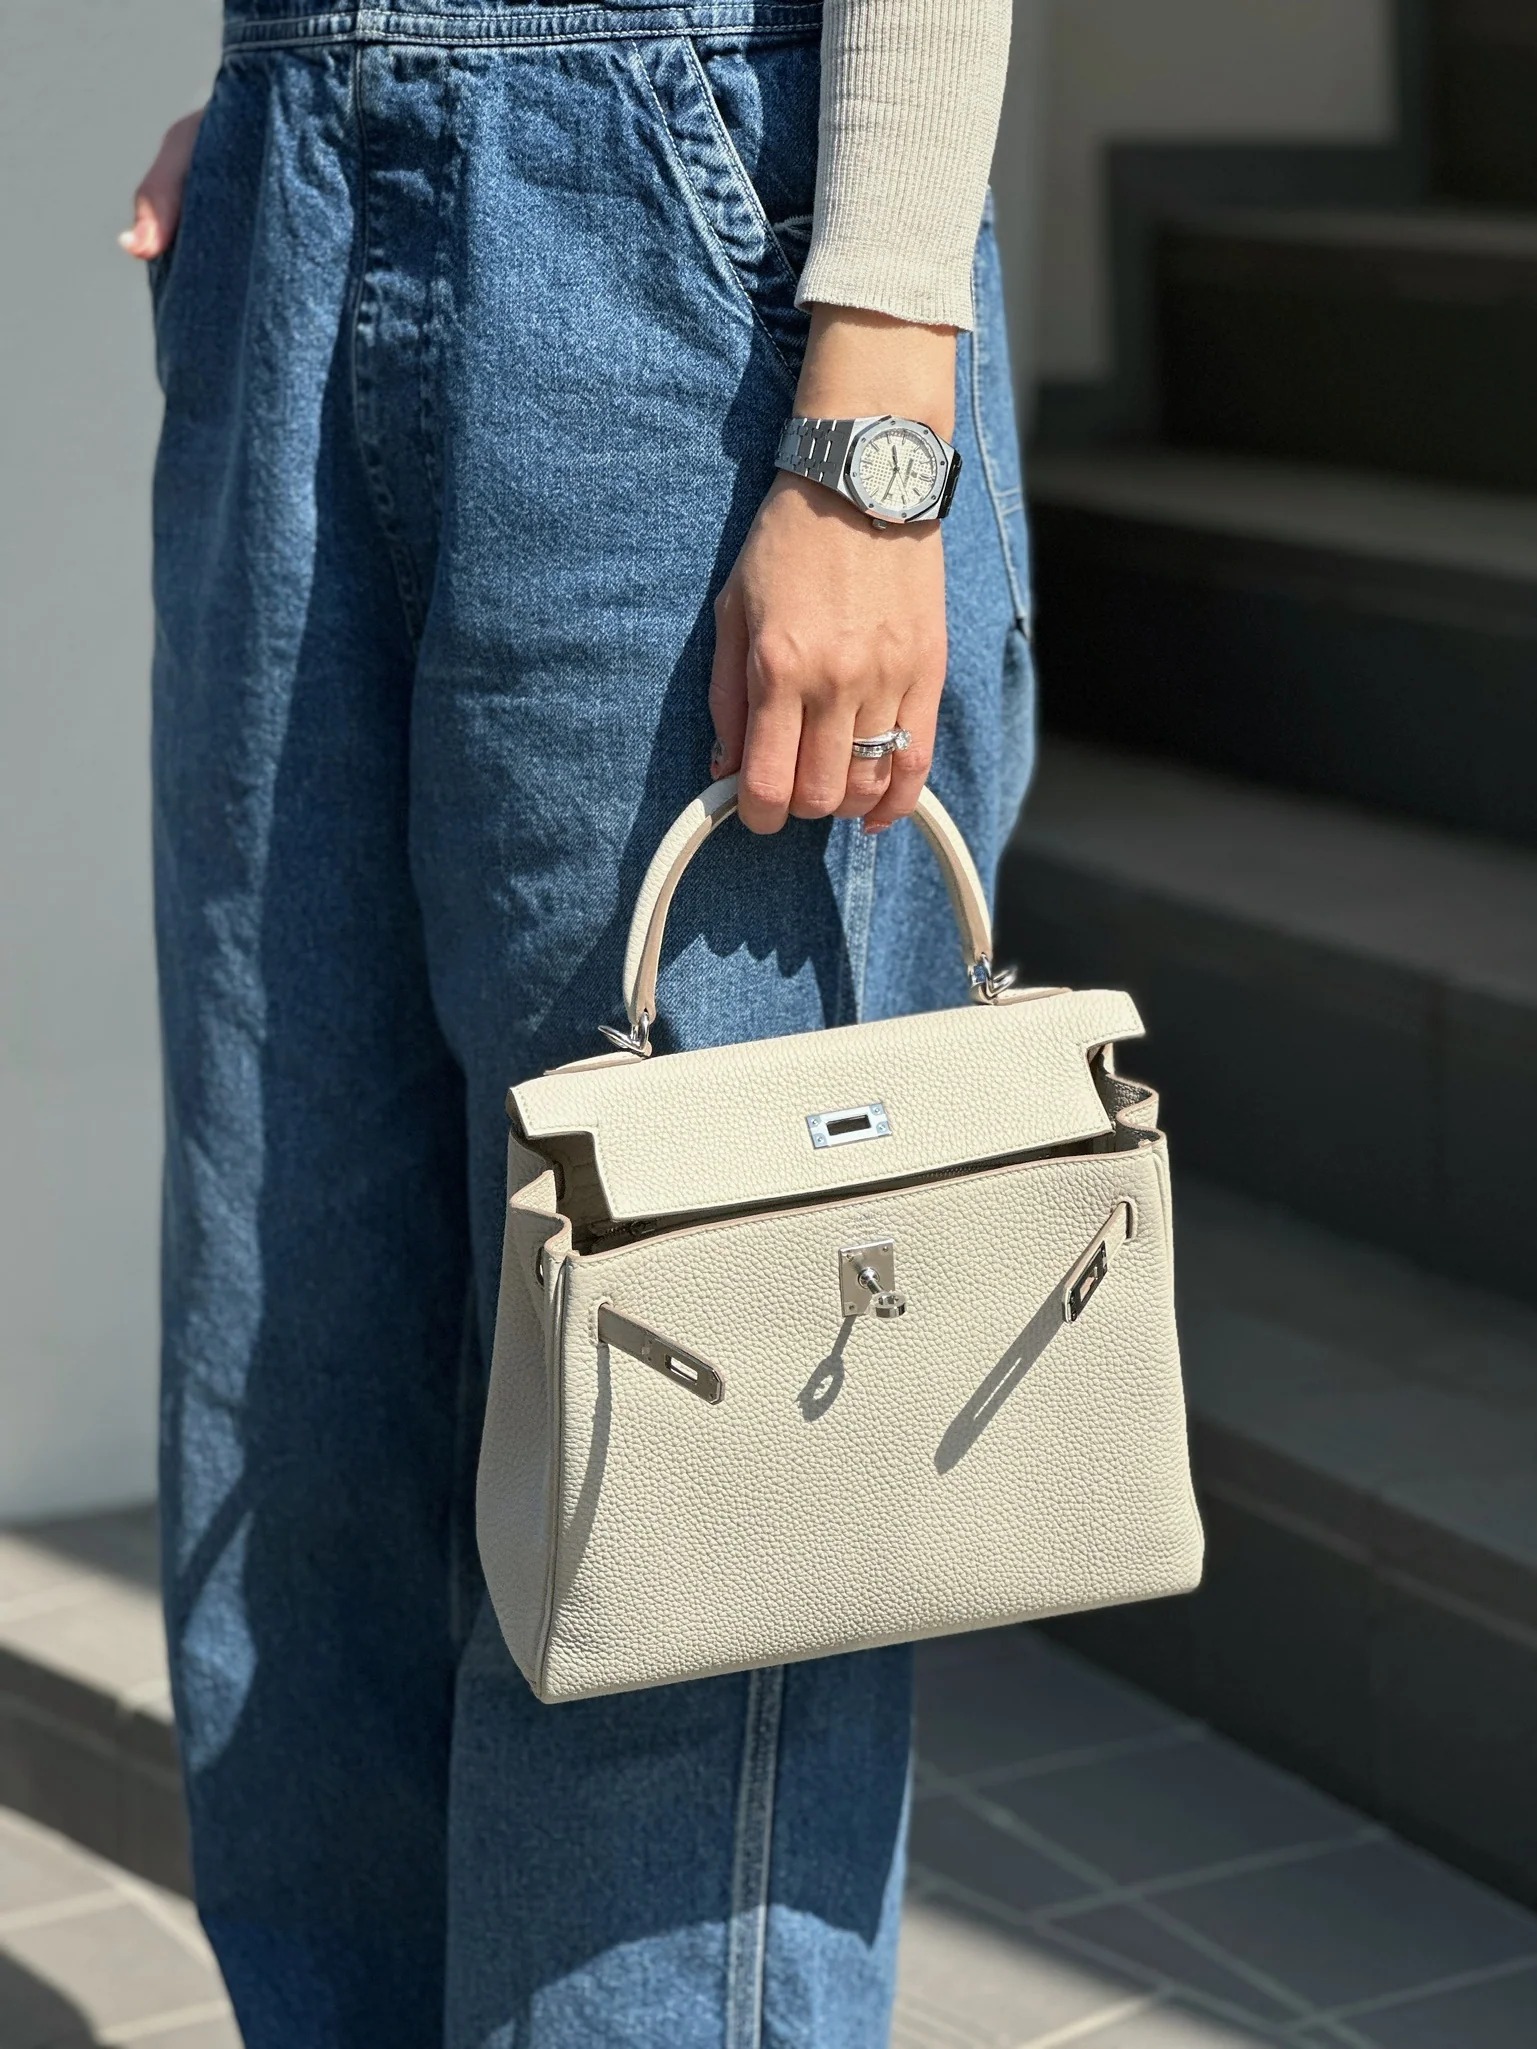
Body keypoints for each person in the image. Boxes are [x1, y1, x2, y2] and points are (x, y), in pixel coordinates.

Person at [124, 2, 1029, 2042]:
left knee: (685, 1469)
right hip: (307, 181)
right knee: (299, 1395)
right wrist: (299, 103)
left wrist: (878, 395)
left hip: (689, 228)